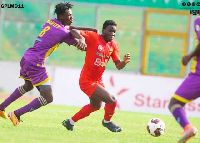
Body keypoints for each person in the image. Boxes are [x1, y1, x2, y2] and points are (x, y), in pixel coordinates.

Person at [0, 2, 96, 126]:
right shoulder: (63, 33)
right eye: (69, 15)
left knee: (28, 86)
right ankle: (16, 114)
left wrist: (87, 31)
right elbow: (76, 40)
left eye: (72, 15)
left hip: (27, 57)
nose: (72, 18)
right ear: (61, 16)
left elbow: (70, 28)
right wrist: (87, 43)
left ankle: (2, 107)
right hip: (36, 63)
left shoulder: (51, 22)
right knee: (48, 98)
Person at [62, 20, 131, 132]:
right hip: (87, 80)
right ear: (103, 30)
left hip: (98, 81)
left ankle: (70, 122)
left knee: (95, 106)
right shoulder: (93, 37)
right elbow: (72, 29)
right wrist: (81, 38)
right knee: (112, 100)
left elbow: (118, 65)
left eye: (114, 32)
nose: (112, 34)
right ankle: (107, 122)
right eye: (110, 31)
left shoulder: (113, 45)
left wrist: (124, 62)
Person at [168, 17, 200, 142]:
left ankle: (188, 127)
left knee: (175, 103)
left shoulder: (198, 21)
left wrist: (189, 56)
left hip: (198, 75)